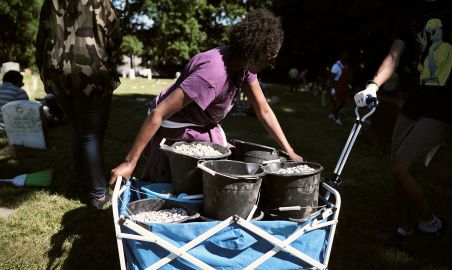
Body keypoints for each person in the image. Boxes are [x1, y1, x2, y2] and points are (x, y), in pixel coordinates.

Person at [110, 8, 303, 185]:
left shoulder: (243, 64)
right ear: (253, 56)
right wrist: (129, 162)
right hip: (178, 131)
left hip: (200, 126)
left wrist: (289, 150)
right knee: (185, 188)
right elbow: (158, 114)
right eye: (269, 61)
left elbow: (263, 109)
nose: (269, 66)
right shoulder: (212, 74)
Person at [354, 0, 452, 245]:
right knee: (396, 169)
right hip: (415, 101)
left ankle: (430, 222)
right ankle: (404, 228)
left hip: (448, 104)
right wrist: (373, 85)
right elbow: (394, 55)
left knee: (400, 167)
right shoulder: (412, 10)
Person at [36, 0, 122, 209]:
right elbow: (115, 37)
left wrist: (46, 70)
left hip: (58, 73)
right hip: (91, 71)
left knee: (79, 129)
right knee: (91, 135)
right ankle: (98, 193)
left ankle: (82, 183)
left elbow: (41, 40)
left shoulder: (51, 2)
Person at [328, 52, 351, 125]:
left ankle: (332, 114)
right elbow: (331, 79)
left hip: (343, 87)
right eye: (344, 58)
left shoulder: (345, 65)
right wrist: (332, 89)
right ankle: (337, 118)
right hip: (337, 88)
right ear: (341, 57)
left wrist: (348, 85)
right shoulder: (336, 66)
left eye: (347, 58)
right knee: (336, 104)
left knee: (343, 102)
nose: (346, 59)